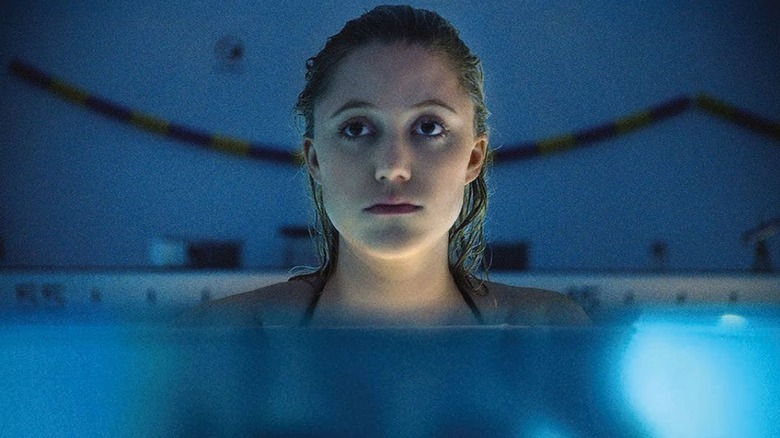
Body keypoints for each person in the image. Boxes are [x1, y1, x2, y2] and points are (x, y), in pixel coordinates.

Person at [181, 5, 589, 327]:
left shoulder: (549, 331)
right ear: (315, 160)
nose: (393, 167)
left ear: (473, 157)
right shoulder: (220, 337)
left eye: (428, 127)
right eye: (357, 129)